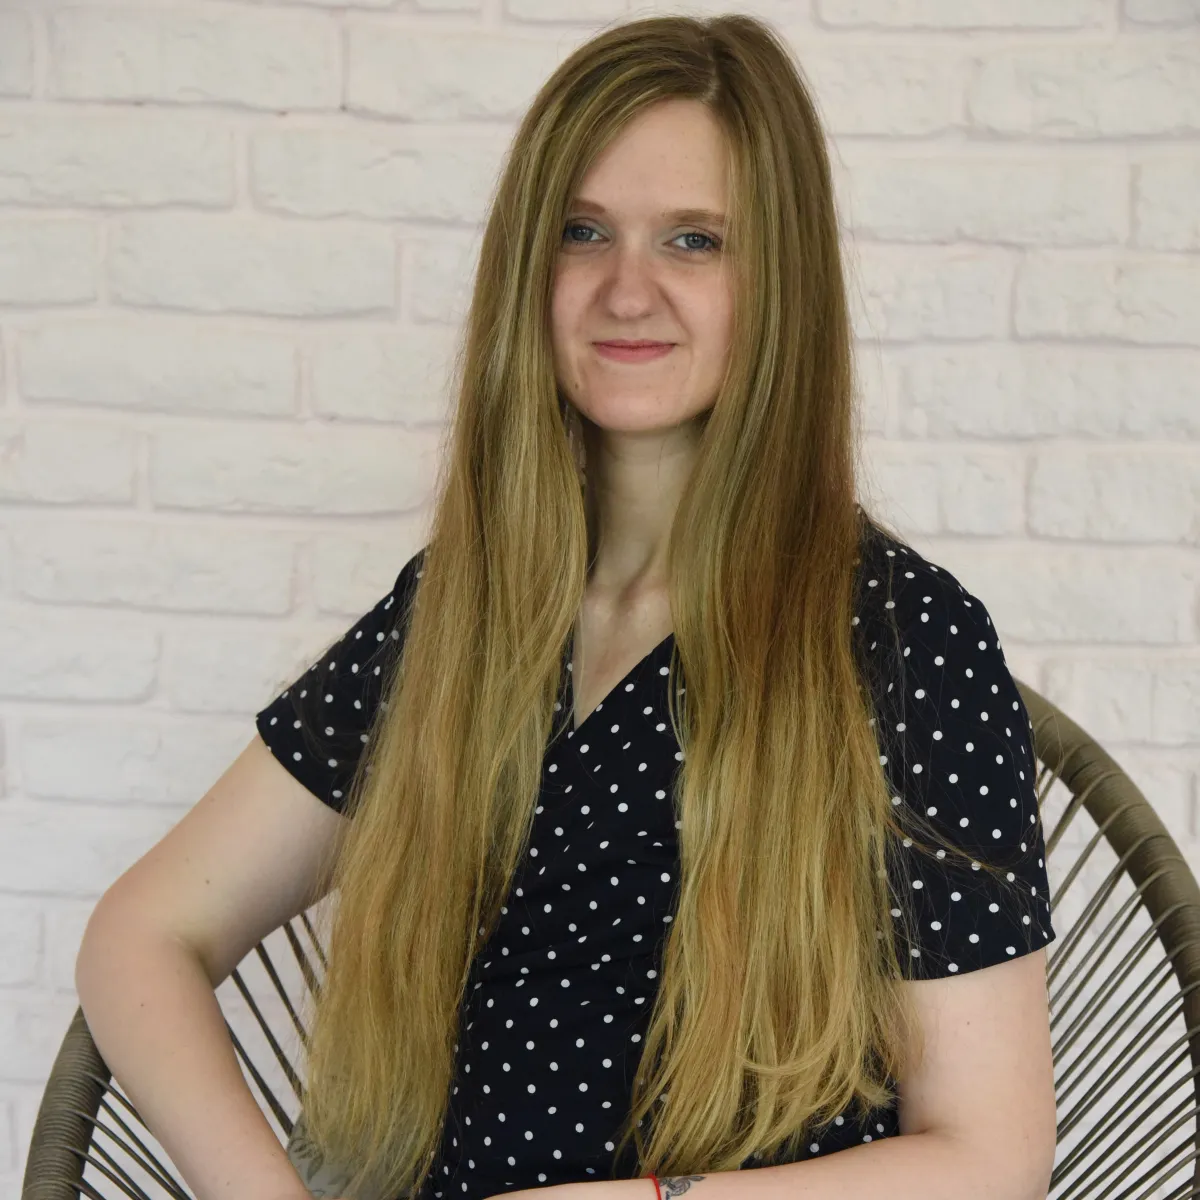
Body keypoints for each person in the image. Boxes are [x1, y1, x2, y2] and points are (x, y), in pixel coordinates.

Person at [75, 13, 1058, 1200]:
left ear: (780, 282)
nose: (626, 291)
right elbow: (141, 935)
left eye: (694, 240)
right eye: (581, 232)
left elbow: (992, 1155)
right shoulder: (463, 609)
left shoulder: (904, 641)